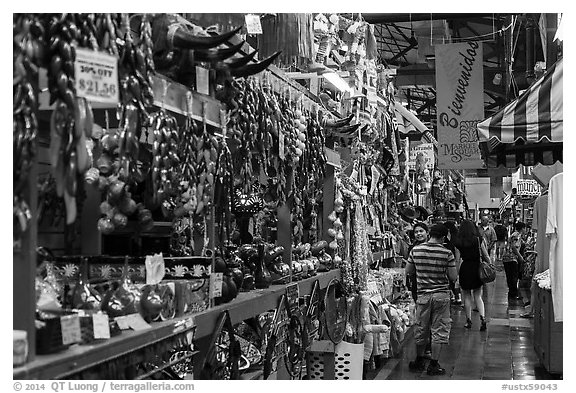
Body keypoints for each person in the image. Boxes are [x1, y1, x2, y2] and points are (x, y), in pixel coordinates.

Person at [406, 224, 457, 376]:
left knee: (422, 328)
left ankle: (419, 360)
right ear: (443, 237)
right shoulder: (447, 253)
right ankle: (433, 365)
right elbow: (453, 277)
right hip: (441, 296)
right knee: (438, 330)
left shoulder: (416, 250)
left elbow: (409, 271)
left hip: (422, 296)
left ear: (430, 234)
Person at [454, 220, 491, 331]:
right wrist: (489, 265)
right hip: (477, 268)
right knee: (478, 296)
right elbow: (485, 255)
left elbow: (457, 259)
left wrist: (456, 274)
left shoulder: (458, 241)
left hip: (465, 268)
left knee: (466, 296)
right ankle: (482, 318)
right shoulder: (478, 239)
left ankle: (468, 320)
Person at [501, 222, 527, 301]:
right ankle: (514, 294)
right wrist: (520, 257)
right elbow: (514, 247)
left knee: (510, 276)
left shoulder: (514, 234)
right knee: (513, 277)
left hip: (507, 258)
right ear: (522, 228)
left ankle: (511, 293)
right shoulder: (517, 235)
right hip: (511, 258)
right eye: (524, 228)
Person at [443, 221, 462, 305]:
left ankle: (457, 296)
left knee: (454, 280)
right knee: (451, 280)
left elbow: (457, 251)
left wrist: (457, 263)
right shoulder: (446, 238)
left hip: (454, 261)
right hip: (447, 261)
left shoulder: (455, 238)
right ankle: (454, 296)